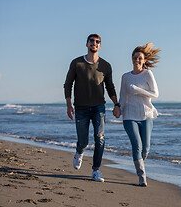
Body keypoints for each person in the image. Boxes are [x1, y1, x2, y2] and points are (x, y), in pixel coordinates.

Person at [64, 33, 121, 182]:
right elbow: (68, 84)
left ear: (100, 46)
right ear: (87, 44)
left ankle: (96, 171)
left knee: (100, 138)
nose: (94, 43)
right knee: (83, 141)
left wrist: (116, 104)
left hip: (99, 107)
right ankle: (79, 151)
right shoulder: (77, 63)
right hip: (81, 108)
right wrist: (69, 105)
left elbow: (110, 86)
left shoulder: (106, 66)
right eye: (91, 41)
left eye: (97, 42)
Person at [118, 42, 161, 187]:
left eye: (140, 58)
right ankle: (142, 176)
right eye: (135, 58)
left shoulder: (148, 74)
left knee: (146, 148)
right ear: (131, 59)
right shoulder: (125, 77)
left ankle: (139, 163)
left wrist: (138, 90)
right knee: (136, 146)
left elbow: (155, 94)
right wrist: (119, 109)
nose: (137, 60)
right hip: (129, 116)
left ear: (144, 61)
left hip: (146, 115)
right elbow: (123, 97)